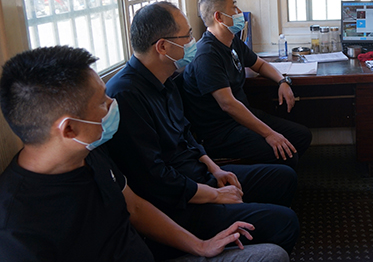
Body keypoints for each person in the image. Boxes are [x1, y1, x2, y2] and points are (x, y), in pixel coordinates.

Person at [0, 45, 289, 262]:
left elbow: (135, 208)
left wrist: (200, 245)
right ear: (69, 128)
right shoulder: (18, 228)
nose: (113, 102)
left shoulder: (89, 155)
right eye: (102, 102)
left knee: (272, 254)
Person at [105, 2, 300, 260]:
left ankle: (250, 233)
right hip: (179, 202)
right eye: (187, 36)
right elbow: (154, 180)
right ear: (162, 46)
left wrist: (215, 169)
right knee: (285, 223)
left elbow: (185, 133)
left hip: (200, 175)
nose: (192, 42)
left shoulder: (164, 79)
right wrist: (215, 195)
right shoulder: (125, 95)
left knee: (284, 177)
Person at [181, 0, 312, 169]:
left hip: (243, 116)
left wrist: (282, 81)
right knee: (286, 155)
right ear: (219, 17)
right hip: (222, 131)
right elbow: (228, 105)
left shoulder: (232, 40)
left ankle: (281, 178)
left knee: (301, 136)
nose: (240, 12)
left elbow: (260, 64)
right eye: (234, 7)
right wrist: (269, 134)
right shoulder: (206, 55)